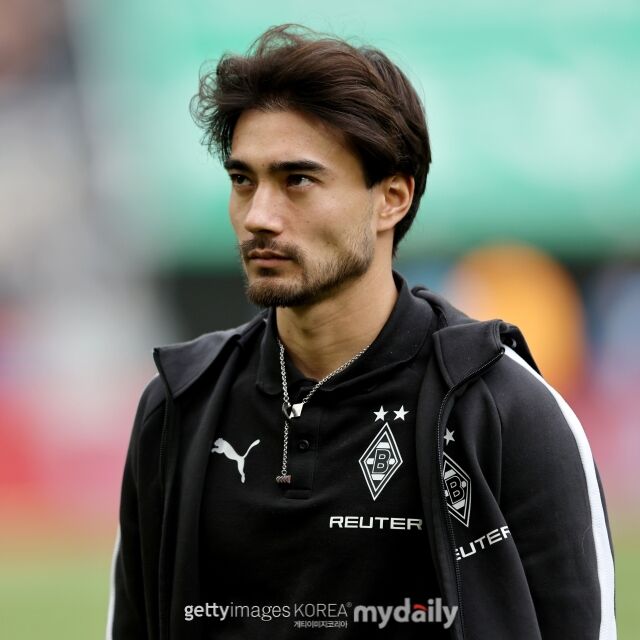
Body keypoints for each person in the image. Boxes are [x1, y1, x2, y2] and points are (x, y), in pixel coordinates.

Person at [106, 24, 616, 640]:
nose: (259, 216)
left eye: (297, 180)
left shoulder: (505, 410)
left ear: (391, 198)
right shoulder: (179, 407)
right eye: (243, 180)